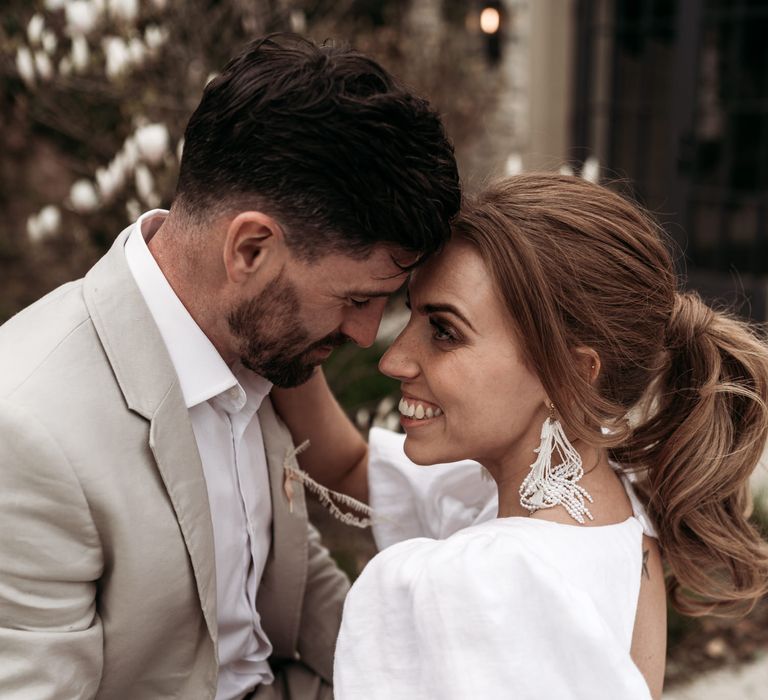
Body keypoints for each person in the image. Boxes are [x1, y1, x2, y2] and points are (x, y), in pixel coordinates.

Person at [0, 34, 460, 700]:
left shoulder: (260, 343)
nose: (367, 336)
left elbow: (285, 583)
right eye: (357, 300)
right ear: (249, 249)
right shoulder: (29, 429)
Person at [273, 173, 768, 700]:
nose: (394, 359)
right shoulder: (614, 509)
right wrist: (282, 325)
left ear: (574, 374)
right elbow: (349, 467)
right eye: (409, 314)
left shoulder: (489, 583)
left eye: (444, 331)